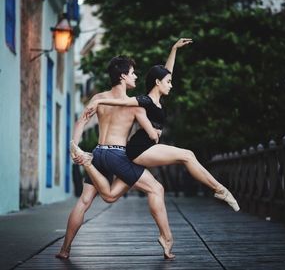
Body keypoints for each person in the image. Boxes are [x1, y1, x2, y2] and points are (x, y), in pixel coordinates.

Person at [73, 39, 240, 213]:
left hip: (131, 149)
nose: (170, 83)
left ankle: (169, 234)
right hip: (140, 148)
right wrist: (98, 102)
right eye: (167, 81)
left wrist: (174, 49)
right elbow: (122, 101)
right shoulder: (142, 100)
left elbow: (167, 73)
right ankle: (220, 190)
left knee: (110, 195)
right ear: (157, 83)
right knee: (185, 157)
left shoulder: (154, 98)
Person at [56, 52, 178, 260]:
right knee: (156, 188)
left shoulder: (98, 99)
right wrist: (154, 132)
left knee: (84, 201)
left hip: (98, 152)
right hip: (118, 154)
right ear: (122, 76)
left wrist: (73, 147)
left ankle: (64, 249)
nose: (136, 77)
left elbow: (81, 122)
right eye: (132, 73)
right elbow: (152, 133)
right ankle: (167, 241)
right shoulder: (134, 104)